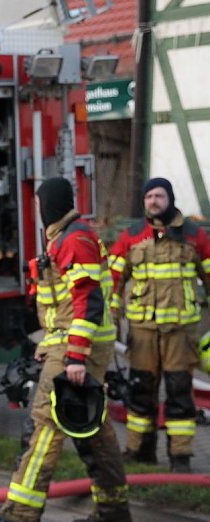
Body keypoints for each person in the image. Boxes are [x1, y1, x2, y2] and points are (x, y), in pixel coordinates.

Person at [0, 176, 132, 522]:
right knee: (95, 428)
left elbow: (87, 302)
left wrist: (75, 357)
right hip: (74, 346)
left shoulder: (74, 240)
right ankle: (113, 513)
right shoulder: (69, 237)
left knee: (46, 425)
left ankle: (20, 518)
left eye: (38, 203)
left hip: (75, 351)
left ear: (49, 204)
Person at [109, 177, 209, 473]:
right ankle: (140, 452)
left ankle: (180, 458)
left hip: (181, 332)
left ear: (170, 198)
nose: (153, 201)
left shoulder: (193, 235)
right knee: (141, 392)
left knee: (179, 393)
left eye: (159, 195)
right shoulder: (131, 237)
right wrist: (113, 320)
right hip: (142, 332)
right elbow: (112, 281)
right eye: (149, 195)